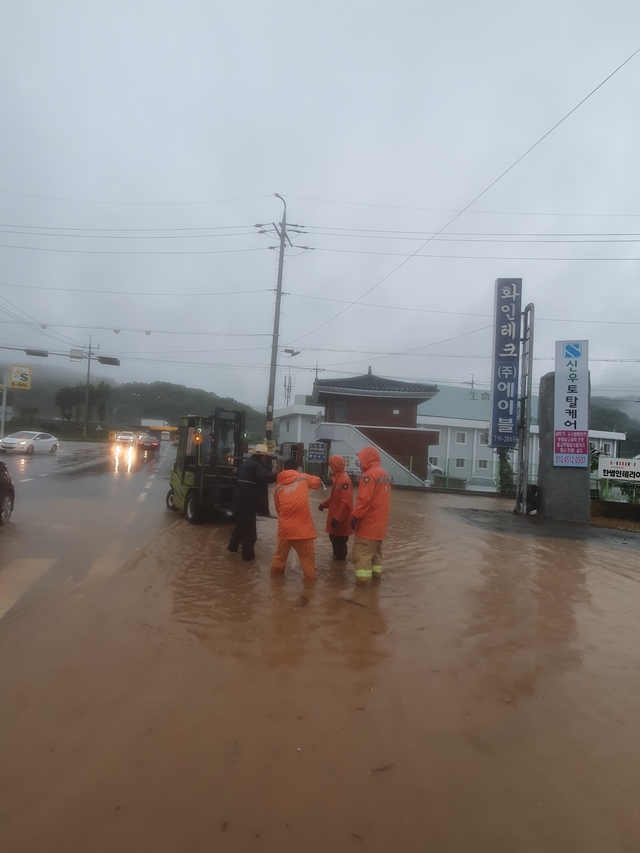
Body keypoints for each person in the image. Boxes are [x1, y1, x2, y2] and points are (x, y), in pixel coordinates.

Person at [271, 459, 323, 582]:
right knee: (307, 561)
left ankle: (274, 583)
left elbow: (279, 509)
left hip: (285, 530)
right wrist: (317, 477)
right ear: (296, 468)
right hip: (303, 531)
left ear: (284, 468)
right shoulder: (303, 478)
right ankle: (310, 588)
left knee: (279, 557)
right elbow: (316, 483)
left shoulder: (278, 488)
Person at [228, 443, 276, 561]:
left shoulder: (246, 464)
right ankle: (248, 559)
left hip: (239, 502)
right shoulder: (257, 465)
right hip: (247, 505)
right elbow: (264, 477)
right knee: (250, 534)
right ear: (263, 456)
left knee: (240, 527)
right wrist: (277, 476)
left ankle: (232, 549)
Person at [351, 446, 391, 585]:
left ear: (367, 459)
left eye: (361, 459)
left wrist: (355, 516)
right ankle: (375, 585)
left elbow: (364, 501)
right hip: (380, 526)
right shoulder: (383, 474)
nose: (360, 463)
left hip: (368, 526)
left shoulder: (369, 476)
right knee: (376, 557)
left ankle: (362, 591)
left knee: (361, 555)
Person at [318, 454, 353, 560]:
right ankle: (336, 569)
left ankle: (341, 569)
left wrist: (337, 519)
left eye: (331, 465)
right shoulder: (337, 479)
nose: (330, 467)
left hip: (340, 522)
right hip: (336, 520)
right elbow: (334, 500)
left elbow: (345, 504)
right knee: (334, 542)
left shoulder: (344, 481)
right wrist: (323, 504)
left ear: (335, 465)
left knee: (340, 546)